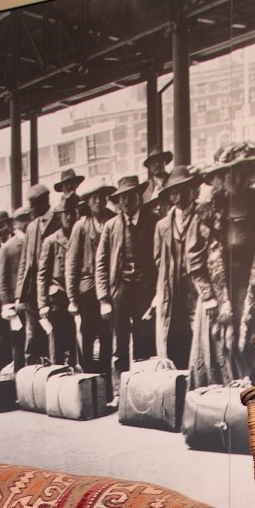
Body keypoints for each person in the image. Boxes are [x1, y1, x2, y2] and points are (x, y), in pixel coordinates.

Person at [188, 146, 255, 383]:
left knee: (254, 343)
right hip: (219, 292)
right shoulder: (208, 209)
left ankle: (252, 401)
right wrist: (209, 296)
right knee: (221, 346)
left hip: (252, 287)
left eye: (243, 171)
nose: (238, 179)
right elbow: (195, 258)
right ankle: (222, 405)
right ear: (221, 178)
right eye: (231, 173)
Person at [95, 174, 156, 380]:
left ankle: (142, 383)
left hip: (145, 289)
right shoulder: (111, 226)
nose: (127, 202)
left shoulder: (152, 221)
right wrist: (104, 298)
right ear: (118, 202)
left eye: (131, 196)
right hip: (120, 289)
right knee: (119, 340)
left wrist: (157, 292)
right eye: (123, 198)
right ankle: (121, 385)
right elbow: (101, 263)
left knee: (144, 336)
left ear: (139, 197)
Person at [66, 179, 115, 388]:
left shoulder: (114, 220)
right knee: (87, 336)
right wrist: (72, 298)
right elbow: (71, 262)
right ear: (88, 202)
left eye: (101, 197)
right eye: (93, 198)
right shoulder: (81, 226)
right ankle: (88, 382)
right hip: (86, 290)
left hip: (109, 288)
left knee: (107, 336)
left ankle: (105, 382)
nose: (98, 202)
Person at [152, 166, 200, 370]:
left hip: (195, 288)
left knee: (198, 336)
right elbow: (157, 258)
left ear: (192, 190)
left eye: (183, 189)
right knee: (173, 335)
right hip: (171, 291)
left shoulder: (202, 216)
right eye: (174, 191)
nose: (178, 196)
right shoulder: (162, 225)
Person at [16, 184, 58, 363]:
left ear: (44, 202)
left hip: (53, 291)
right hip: (32, 293)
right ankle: (31, 379)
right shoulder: (32, 227)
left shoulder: (58, 220)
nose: (30, 210)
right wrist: (20, 295)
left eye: (32, 205)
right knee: (32, 339)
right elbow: (24, 263)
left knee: (54, 338)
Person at [38, 198, 79, 366]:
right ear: (60, 217)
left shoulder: (80, 236)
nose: (69, 217)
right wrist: (42, 304)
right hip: (58, 301)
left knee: (77, 346)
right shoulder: (51, 241)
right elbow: (42, 274)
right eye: (65, 214)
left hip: (78, 297)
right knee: (58, 347)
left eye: (72, 213)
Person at [0, 203, 30, 371]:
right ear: (16, 223)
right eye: (23, 220)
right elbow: (1, 281)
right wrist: (7, 305)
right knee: (18, 345)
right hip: (15, 306)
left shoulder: (35, 240)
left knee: (34, 344)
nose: (28, 223)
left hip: (33, 302)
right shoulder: (8, 248)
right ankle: (19, 381)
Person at [142, 146, 173, 216]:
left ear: (165, 163)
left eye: (160, 161)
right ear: (149, 167)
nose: (157, 164)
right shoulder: (145, 188)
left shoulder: (173, 180)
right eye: (153, 162)